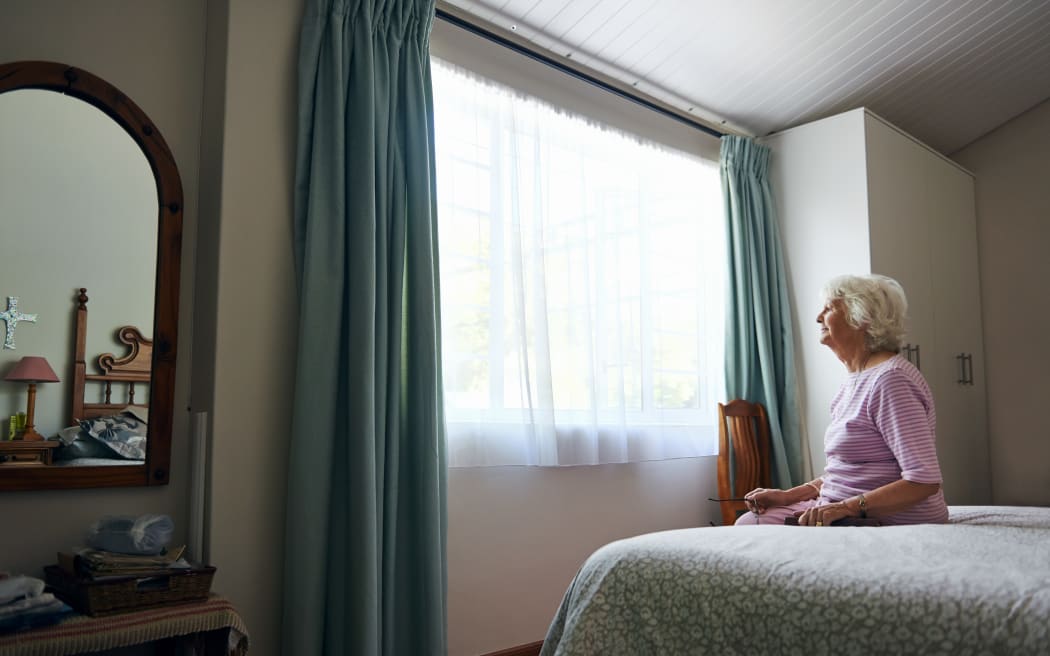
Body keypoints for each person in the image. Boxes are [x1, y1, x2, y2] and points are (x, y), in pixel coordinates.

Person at [737, 273, 949, 527]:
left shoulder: (892, 380)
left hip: (886, 517)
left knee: (749, 528)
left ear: (861, 318)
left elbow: (923, 481)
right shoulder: (857, 381)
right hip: (839, 508)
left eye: (829, 309)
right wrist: (787, 496)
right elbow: (848, 471)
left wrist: (845, 507)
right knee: (751, 521)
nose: (818, 317)